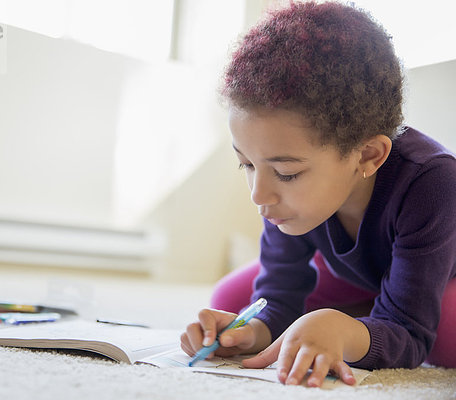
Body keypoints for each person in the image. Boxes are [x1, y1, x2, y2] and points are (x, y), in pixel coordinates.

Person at [180, 1, 456, 388]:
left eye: (286, 173)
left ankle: (360, 317)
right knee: (231, 297)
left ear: (367, 156)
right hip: (360, 273)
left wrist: (344, 331)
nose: (260, 196)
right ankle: (362, 313)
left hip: (438, 275)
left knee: (447, 335)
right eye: (246, 164)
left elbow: (409, 331)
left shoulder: (433, 182)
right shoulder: (283, 200)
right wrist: (253, 333)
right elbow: (277, 296)